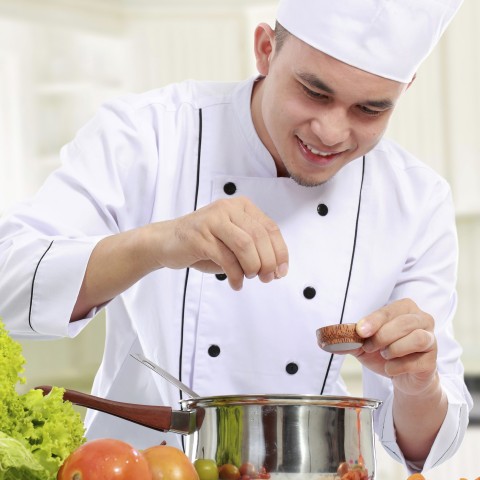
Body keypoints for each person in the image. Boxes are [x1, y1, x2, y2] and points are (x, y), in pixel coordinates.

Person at [0, 0, 472, 473]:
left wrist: (417, 383)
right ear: (265, 50)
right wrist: (160, 243)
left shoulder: (416, 200)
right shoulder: (150, 135)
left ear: (404, 90)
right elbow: (12, 284)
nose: (331, 132)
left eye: (370, 109)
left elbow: (422, 449)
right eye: (313, 92)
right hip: (132, 468)